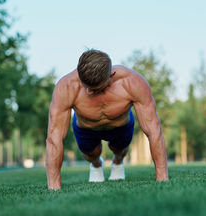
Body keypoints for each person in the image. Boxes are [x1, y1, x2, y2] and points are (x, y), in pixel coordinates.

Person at [46, 49, 168, 190]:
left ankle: (118, 161)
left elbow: (154, 130)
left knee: (120, 149)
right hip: (86, 128)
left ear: (111, 75)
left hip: (120, 126)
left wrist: (162, 179)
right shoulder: (66, 87)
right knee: (91, 154)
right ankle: (97, 164)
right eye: (86, 87)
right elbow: (53, 137)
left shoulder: (132, 82)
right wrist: (54, 187)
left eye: (95, 89)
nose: (89, 92)